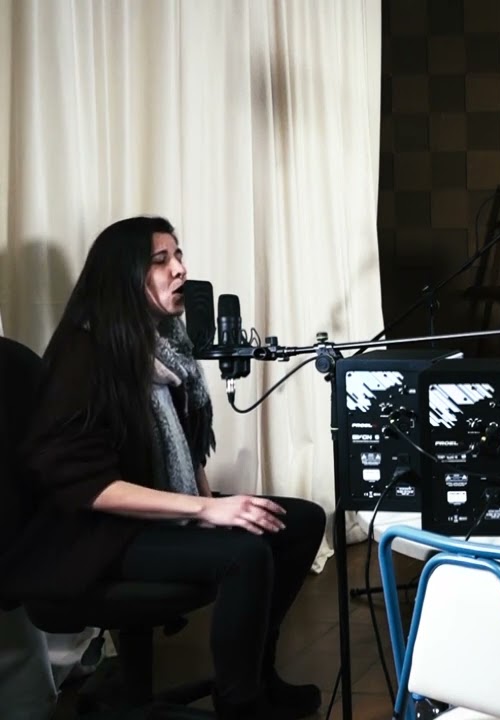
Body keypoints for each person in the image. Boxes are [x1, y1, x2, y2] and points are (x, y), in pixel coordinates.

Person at [6, 216, 326, 719]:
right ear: (123, 276)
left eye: (178, 256)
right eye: (161, 261)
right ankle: (241, 703)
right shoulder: (85, 354)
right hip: (90, 535)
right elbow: (81, 483)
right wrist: (206, 510)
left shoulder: (165, 347)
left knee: (299, 519)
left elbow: (188, 446)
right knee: (244, 554)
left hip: (143, 519)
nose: (180, 270)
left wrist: (211, 505)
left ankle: (259, 675)